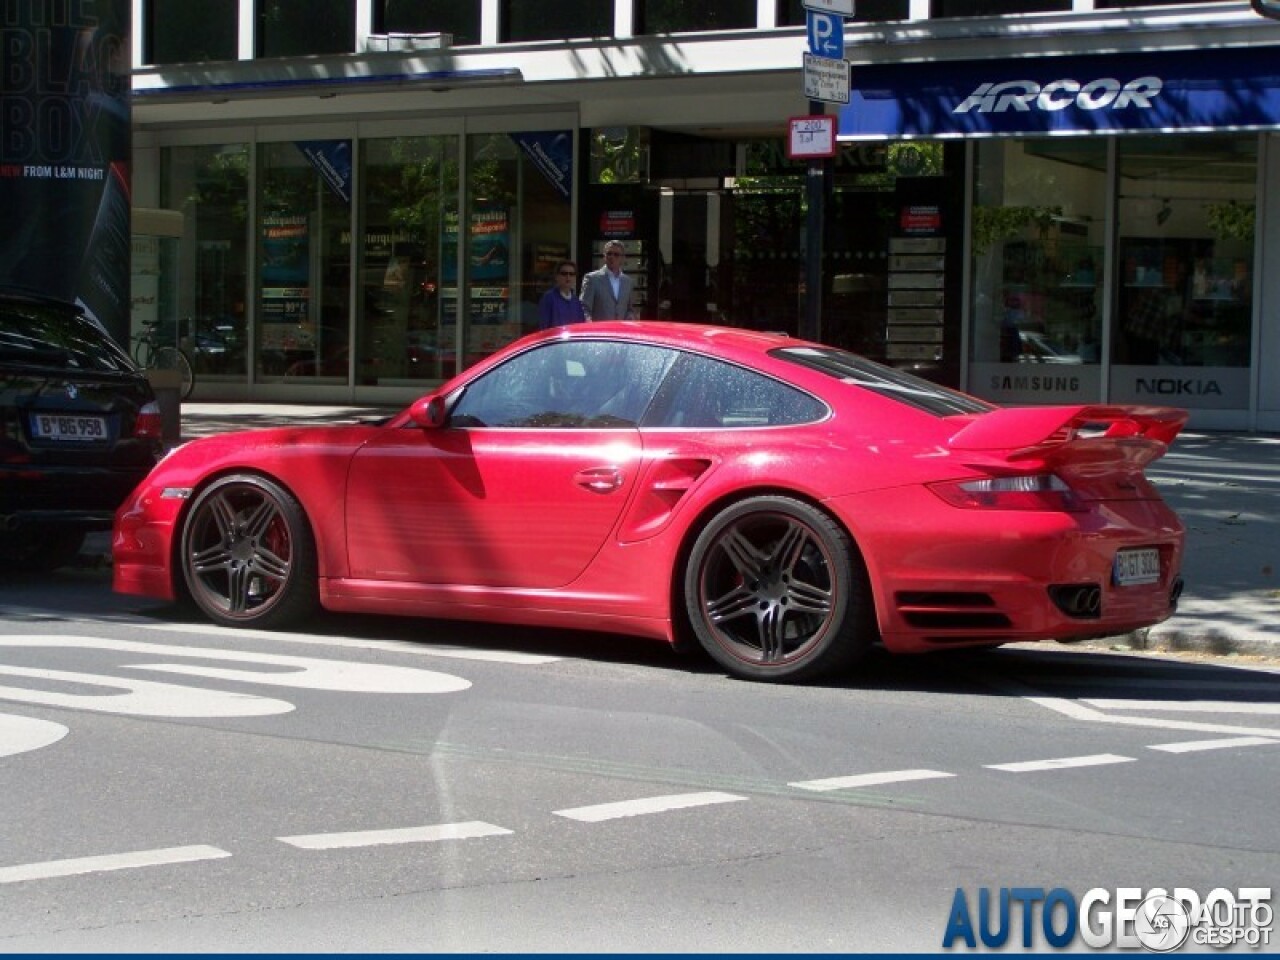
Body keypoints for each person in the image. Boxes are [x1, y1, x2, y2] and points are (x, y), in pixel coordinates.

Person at [580, 240, 636, 321]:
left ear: (622, 258)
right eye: (609, 254)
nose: (612, 257)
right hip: (599, 331)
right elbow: (584, 307)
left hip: (621, 331)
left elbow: (630, 309)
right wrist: (589, 325)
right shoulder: (592, 279)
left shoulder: (628, 282)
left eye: (616, 254)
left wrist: (629, 321)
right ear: (604, 256)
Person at [537, 260, 586, 330]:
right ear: (557, 277)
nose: (568, 277)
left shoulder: (576, 302)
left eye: (571, 274)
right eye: (564, 273)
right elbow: (543, 327)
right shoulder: (549, 298)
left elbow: (581, 326)